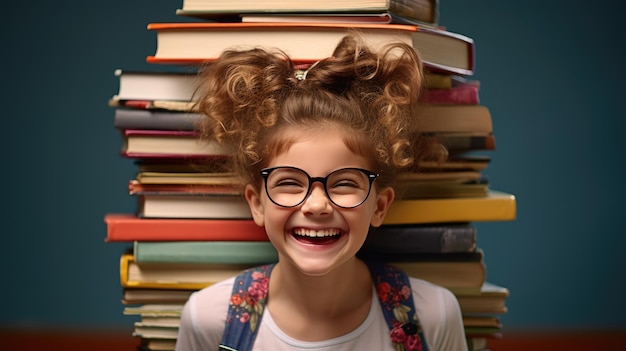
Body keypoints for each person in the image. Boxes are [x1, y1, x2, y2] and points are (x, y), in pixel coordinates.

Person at [175, 32, 468, 351]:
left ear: (380, 206)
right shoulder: (209, 320)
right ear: (257, 203)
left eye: (344, 183)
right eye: (288, 182)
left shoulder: (432, 316)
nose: (317, 205)